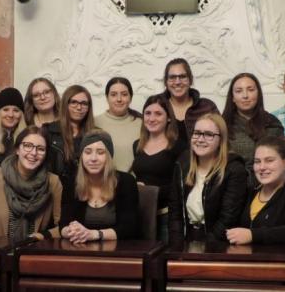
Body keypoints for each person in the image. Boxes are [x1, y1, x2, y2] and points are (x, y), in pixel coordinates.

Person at [167, 113, 248, 243]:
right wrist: (177, 246)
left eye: (209, 135)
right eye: (197, 133)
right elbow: (175, 213)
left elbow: (227, 219)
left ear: (221, 140)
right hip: (187, 240)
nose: (200, 139)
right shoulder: (183, 164)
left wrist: (205, 248)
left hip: (218, 244)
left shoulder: (234, 170)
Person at [0, 126, 62, 241]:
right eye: (28, 146)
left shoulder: (53, 182)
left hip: (33, 253)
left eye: (40, 149)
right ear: (17, 149)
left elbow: (63, 227)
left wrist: (41, 236)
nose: (33, 153)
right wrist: (3, 250)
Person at [226, 136, 285, 246]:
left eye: (269, 160)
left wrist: (253, 235)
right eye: (257, 161)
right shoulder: (252, 191)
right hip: (249, 260)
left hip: (284, 261)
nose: (262, 167)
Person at [59, 130, 141, 243]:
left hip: (118, 252)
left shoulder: (126, 181)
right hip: (80, 249)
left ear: (109, 156)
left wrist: (94, 234)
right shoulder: (71, 182)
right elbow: (63, 225)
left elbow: (130, 228)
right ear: (81, 156)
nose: (93, 158)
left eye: (100, 152)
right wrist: (71, 230)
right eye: (87, 152)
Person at [131, 95, 185, 241]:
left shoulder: (178, 146)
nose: (151, 118)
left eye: (158, 113)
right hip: (141, 213)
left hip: (166, 216)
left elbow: (181, 186)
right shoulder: (137, 145)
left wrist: (148, 191)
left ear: (168, 118)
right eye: (147, 113)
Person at [222, 72, 284, 169]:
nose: (245, 95)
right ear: (232, 97)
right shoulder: (223, 125)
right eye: (239, 91)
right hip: (234, 180)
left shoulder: (273, 123)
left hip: (270, 180)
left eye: (250, 90)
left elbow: (283, 159)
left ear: (258, 94)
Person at [159, 58, 218, 141]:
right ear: (166, 82)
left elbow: (220, 138)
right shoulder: (157, 105)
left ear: (190, 80)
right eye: (172, 77)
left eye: (182, 76)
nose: (177, 82)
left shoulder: (207, 107)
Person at [45, 85, 95, 180]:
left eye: (84, 103)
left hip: (85, 189)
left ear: (89, 107)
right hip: (56, 189)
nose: (79, 107)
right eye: (74, 102)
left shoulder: (96, 135)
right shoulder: (48, 131)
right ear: (65, 104)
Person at [95, 77, 143, 172]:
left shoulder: (143, 123)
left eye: (124, 94)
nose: (119, 99)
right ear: (107, 97)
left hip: (135, 184)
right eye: (113, 95)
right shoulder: (95, 122)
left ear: (131, 97)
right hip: (104, 183)